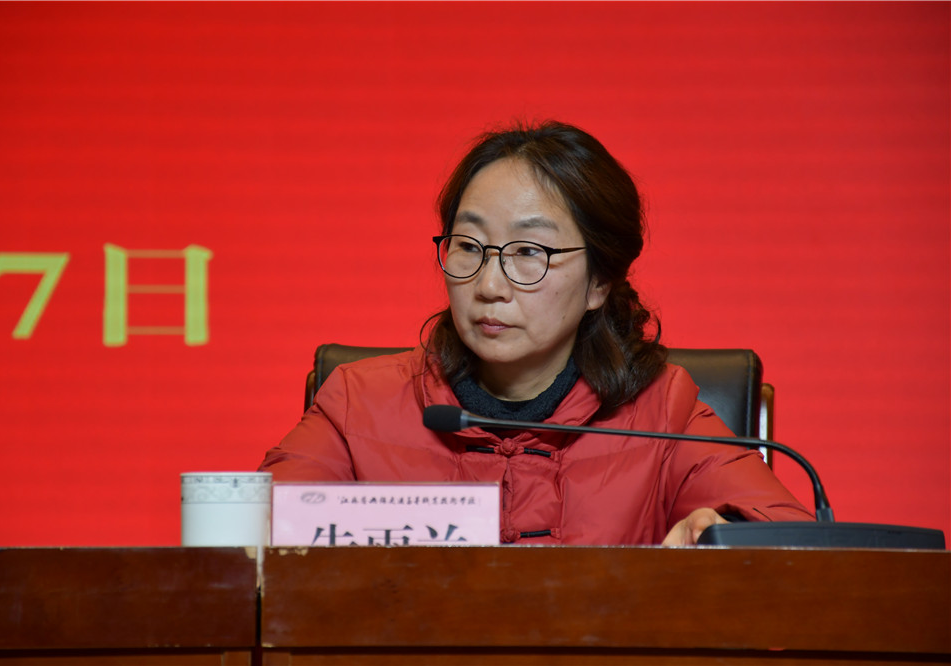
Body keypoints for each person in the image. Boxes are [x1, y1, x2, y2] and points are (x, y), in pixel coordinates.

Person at [259, 120, 813, 545]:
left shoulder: (665, 415)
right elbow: (251, 542)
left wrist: (723, 535)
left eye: (529, 252)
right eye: (469, 246)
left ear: (599, 281)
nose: (489, 285)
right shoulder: (358, 404)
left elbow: (793, 547)